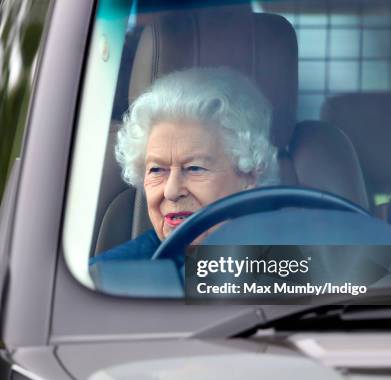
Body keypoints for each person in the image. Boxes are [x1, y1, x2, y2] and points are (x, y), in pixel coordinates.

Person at [91, 67, 279, 264]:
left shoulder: (294, 265)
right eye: (156, 170)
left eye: (195, 168)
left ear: (249, 176)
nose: (171, 192)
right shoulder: (109, 277)